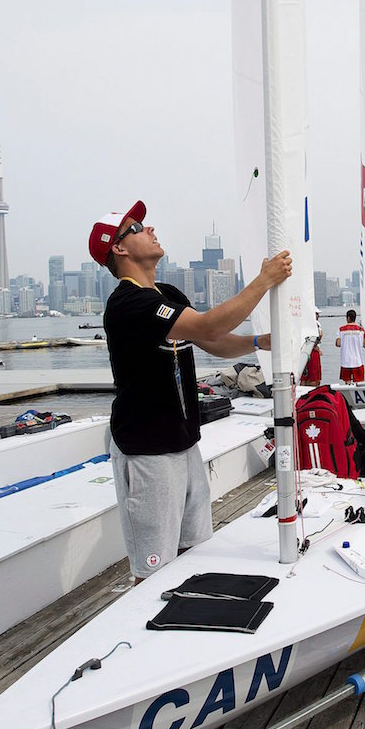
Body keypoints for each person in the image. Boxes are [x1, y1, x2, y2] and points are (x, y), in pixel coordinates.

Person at [91, 200, 292, 581]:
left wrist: (260, 341)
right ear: (118, 248)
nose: (150, 229)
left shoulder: (165, 294)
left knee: (195, 549)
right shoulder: (128, 303)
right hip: (146, 448)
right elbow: (209, 328)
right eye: (137, 228)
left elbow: (215, 343)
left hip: (182, 442)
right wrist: (264, 280)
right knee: (153, 566)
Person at [336, 309, 365, 383]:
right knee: (359, 383)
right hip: (358, 361)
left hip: (346, 361)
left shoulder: (341, 329)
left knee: (347, 382)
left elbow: (338, 344)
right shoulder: (361, 330)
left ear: (348, 318)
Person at [301, 308, 322, 387]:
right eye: (317, 314)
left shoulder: (303, 324)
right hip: (312, 352)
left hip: (303, 351)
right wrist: (315, 346)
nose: (318, 316)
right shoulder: (316, 324)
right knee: (314, 378)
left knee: (304, 377)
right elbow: (319, 335)